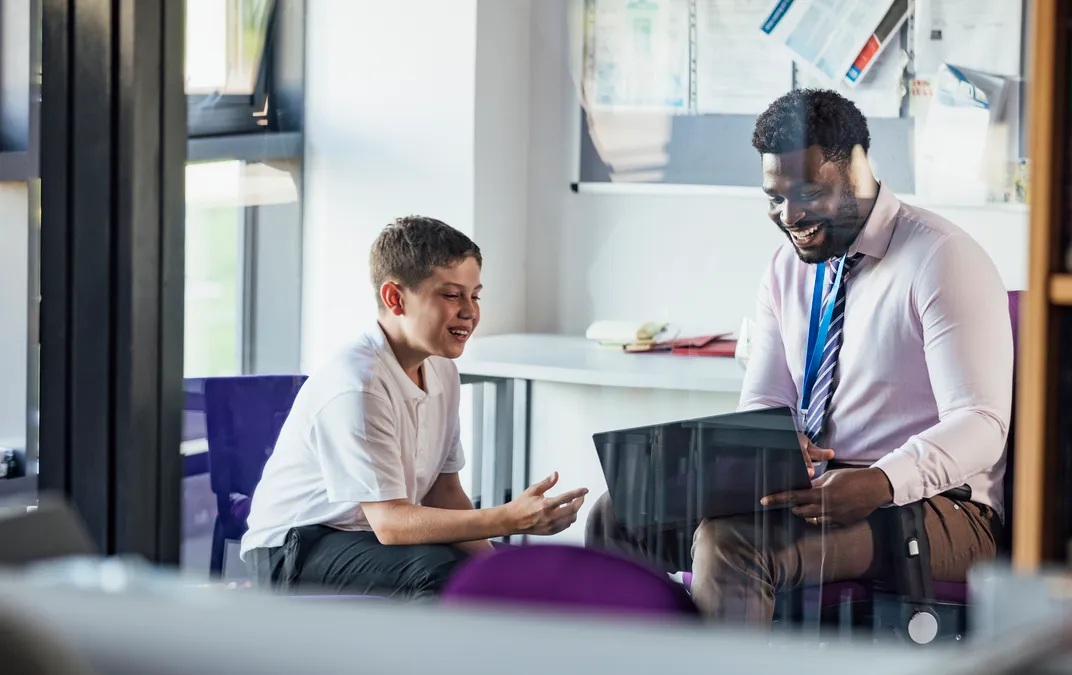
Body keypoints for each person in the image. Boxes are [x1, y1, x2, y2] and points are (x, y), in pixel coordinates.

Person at [586, 89, 1012, 624]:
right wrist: (771, 451)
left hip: (938, 507)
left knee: (730, 543)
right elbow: (764, 401)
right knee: (617, 515)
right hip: (810, 491)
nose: (790, 216)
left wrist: (880, 481)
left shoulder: (940, 259)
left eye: (809, 192)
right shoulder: (787, 270)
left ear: (858, 167)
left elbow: (982, 424)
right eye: (774, 197)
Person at [242, 216, 587, 598]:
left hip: (372, 536)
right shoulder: (359, 384)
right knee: (444, 578)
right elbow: (390, 523)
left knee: (519, 575)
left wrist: (497, 567)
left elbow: (444, 494)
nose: (470, 311)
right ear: (395, 298)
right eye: (452, 295)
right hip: (296, 546)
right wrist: (507, 518)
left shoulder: (442, 369)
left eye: (475, 295)